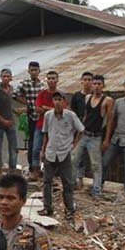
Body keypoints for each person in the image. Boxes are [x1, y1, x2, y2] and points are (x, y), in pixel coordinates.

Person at [40, 91, 83, 219]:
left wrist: (74, 144)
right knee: (47, 181)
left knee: (67, 183)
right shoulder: (48, 115)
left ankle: (69, 209)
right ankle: (47, 207)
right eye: (55, 100)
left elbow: (81, 130)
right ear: (52, 102)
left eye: (60, 99)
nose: (57, 102)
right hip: (51, 151)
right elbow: (45, 133)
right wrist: (42, 150)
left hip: (65, 152)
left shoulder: (70, 116)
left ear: (64, 102)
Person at [73, 74, 111, 197]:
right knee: (73, 159)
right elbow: (85, 116)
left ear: (103, 85)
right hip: (84, 133)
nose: (96, 86)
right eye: (94, 84)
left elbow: (110, 121)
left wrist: (106, 139)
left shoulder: (107, 100)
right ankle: (72, 184)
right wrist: (78, 133)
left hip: (96, 136)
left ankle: (96, 190)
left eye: (99, 84)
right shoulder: (87, 98)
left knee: (96, 165)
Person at [15, 61, 43, 180]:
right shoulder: (25, 84)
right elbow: (15, 94)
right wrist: (26, 103)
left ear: (39, 71)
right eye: (32, 70)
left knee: (40, 144)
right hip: (31, 116)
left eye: (36, 70)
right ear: (29, 71)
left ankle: (38, 168)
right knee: (32, 144)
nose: (34, 72)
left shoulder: (42, 84)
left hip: (41, 117)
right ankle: (32, 167)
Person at [0, 68, 18, 173]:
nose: (6, 78)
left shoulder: (11, 89)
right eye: (4, 76)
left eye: (8, 76)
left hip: (10, 122)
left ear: (11, 78)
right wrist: (2, 120)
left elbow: (9, 104)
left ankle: (12, 169)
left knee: (13, 147)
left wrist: (15, 112)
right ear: (0, 77)